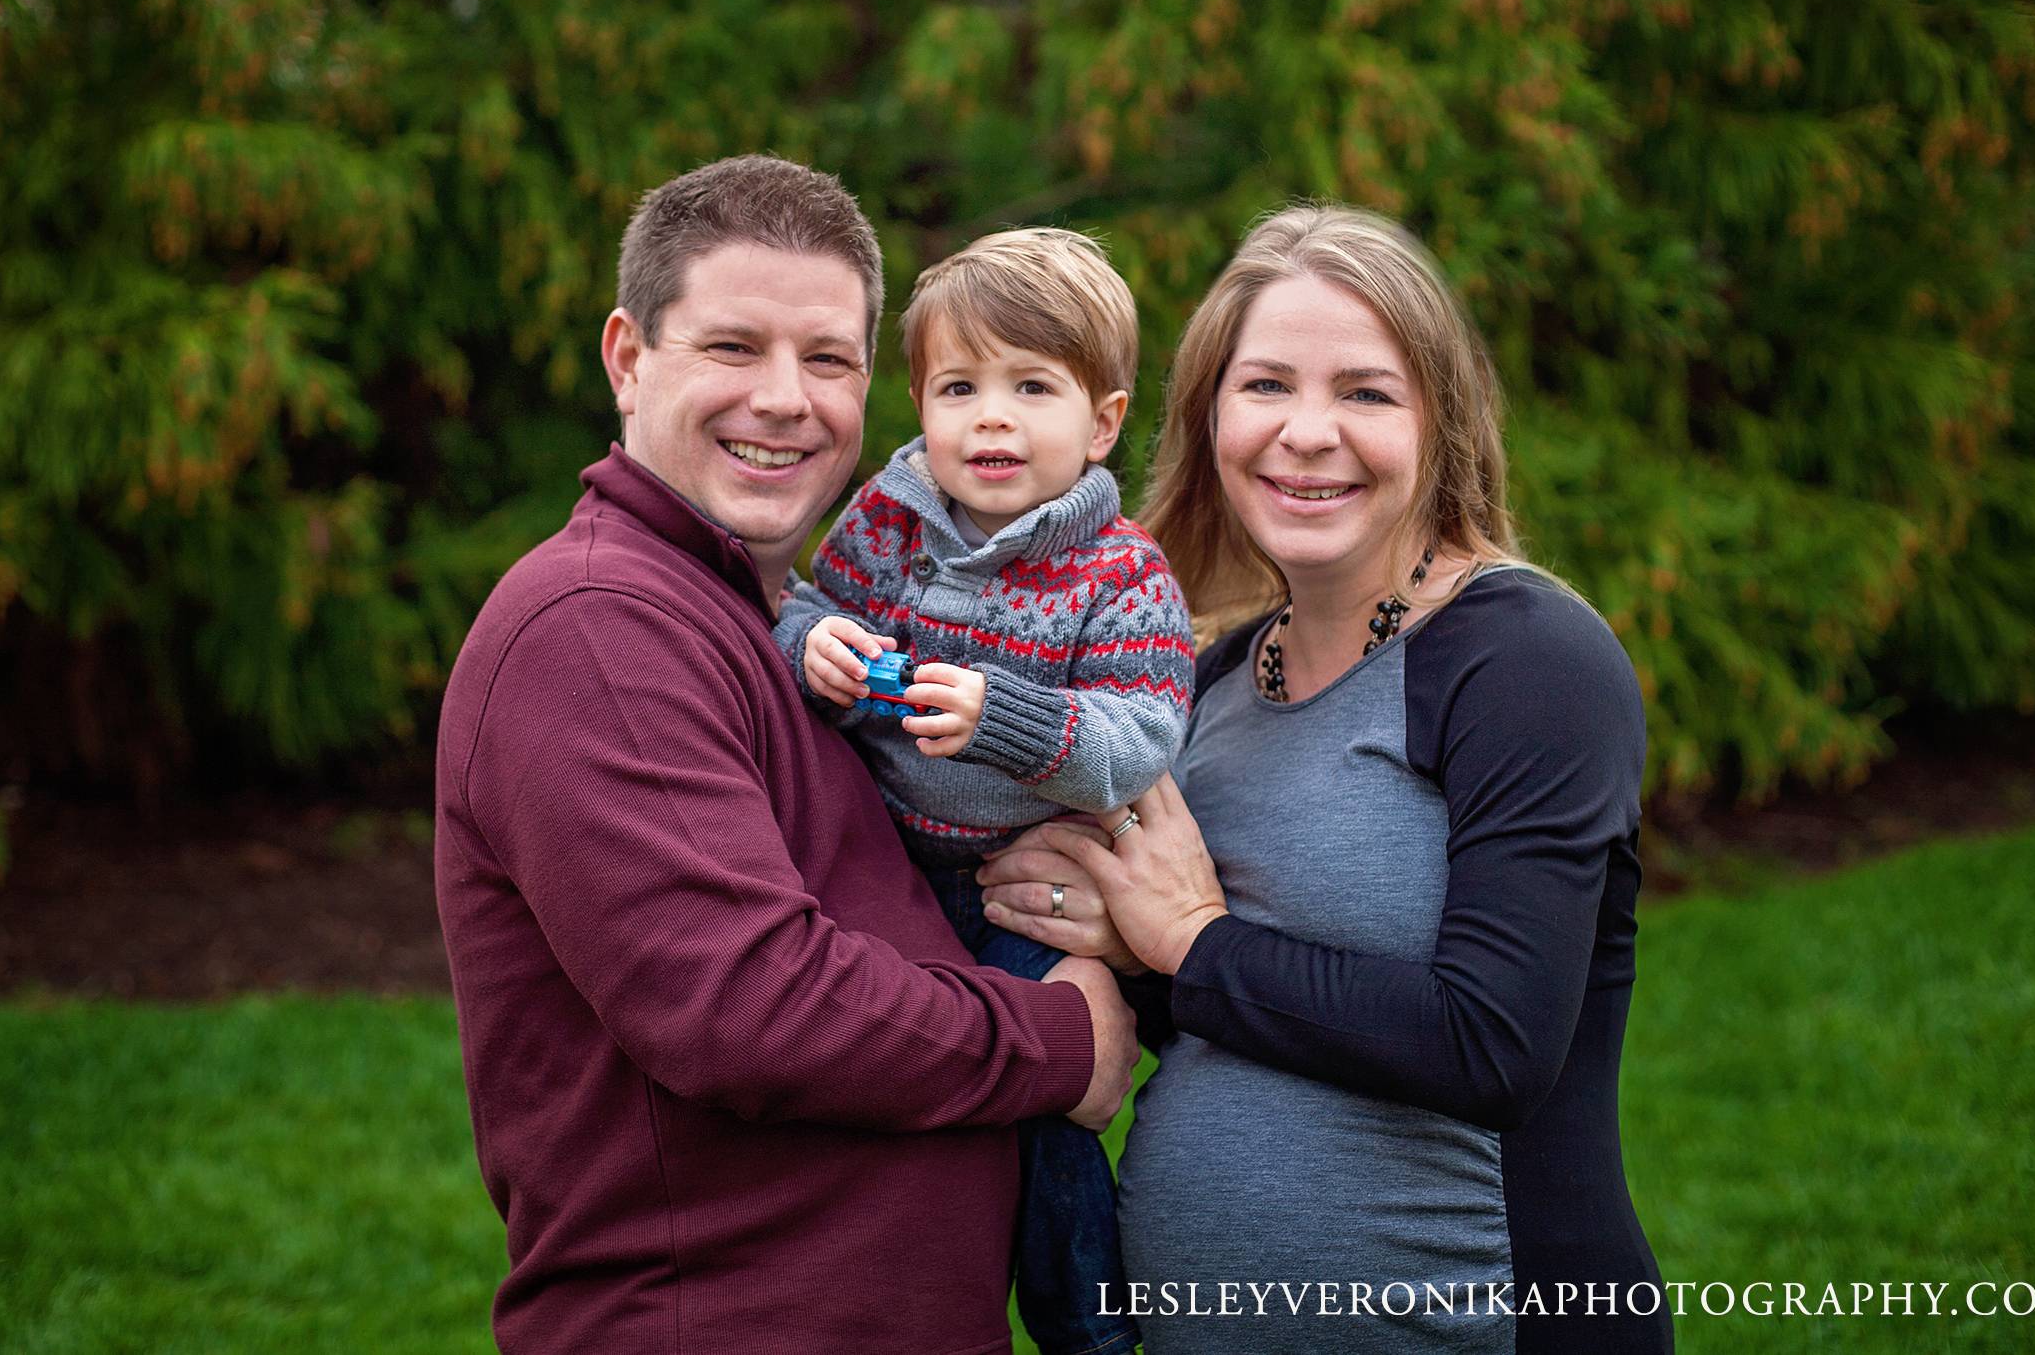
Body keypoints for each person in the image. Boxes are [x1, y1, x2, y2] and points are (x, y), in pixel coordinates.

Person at [433, 155, 1139, 1355]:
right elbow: (744, 1006)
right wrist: (1060, 1041)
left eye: (827, 360)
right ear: (625, 358)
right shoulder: (598, 625)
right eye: (730, 349)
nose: (784, 400)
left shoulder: (774, 619)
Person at [979, 206, 1674, 1353]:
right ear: (1208, 418)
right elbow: (1232, 1020)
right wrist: (1123, 949)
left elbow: (1490, 1043)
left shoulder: (1524, 659)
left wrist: (1191, 940)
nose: (1307, 433)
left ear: (1440, 424)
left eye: (1365, 392)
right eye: (1264, 388)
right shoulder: (1199, 686)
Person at [773, 227, 1194, 1355]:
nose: (990, 418)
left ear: (1101, 421)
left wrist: (1003, 718)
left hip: (1024, 893)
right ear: (921, 404)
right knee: (907, 1120)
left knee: (1052, 1118)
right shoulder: (887, 518)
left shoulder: (1121, 572)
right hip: (887, 872)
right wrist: (815, 647)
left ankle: (1089, 1332)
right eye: (960, 387)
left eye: (1031, 387)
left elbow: (1138, 738)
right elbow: (809, 608)